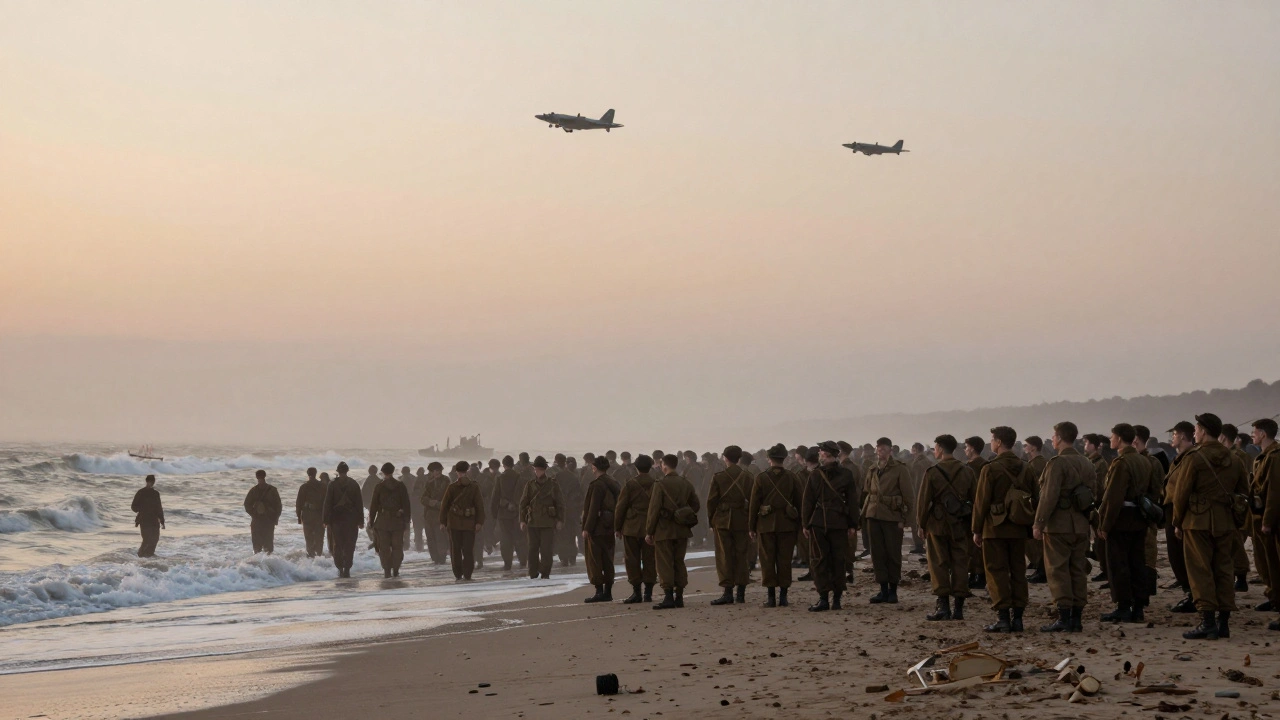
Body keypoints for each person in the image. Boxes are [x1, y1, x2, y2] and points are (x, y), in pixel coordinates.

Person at [1171, 413, 1250, 640]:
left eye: (1196, 429)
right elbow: (1244, 492)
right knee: (1224, 568)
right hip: (1225, 521)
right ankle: (1223, 622)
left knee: (1199, 570)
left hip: (1197, 521)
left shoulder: (1194, 458)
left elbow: (1181, 493)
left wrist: (1177, 521)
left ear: (1203, 431)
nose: (1194, 433)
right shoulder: (1234, 458)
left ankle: (1207, 622)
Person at [1034, 422, 1096, 632]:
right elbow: (1093, 494)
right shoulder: (1087, 463)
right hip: (1080, 525)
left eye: (1053, 436)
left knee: (1057, 570)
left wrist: (1039, 523)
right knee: (1078, 569)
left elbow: (1048, 497)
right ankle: (1076, 618)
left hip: (1058, 526)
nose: (1052, 439)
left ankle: (1064, 617)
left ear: (1059, 438)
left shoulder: (1057, 463)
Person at [972, 426, 1034, 633]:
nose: (991, 442)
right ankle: (1018, 619)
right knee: (1018, 571)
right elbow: (1036, 497)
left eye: (992, 439)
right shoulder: (1026, 467)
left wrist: (976, 530)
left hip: (994, 528)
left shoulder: (990, 468)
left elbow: (981, 503)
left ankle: (1003, 618)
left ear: (998, 442)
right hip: (1019, 527)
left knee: (996, 572)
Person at [1098, 423, 1154, 623]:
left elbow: (1113, 498)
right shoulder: (1144, 461)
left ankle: (1123, 606)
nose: (1110, 439)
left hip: (1121, 519)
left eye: (1112, 436)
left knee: (1118, 564)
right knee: (1137, 563)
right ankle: (1138, 607)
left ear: (1120, 438)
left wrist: (1104, 525)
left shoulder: (1121, 462)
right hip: (1139, 518)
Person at [916, 435, 976, 622]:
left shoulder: (932, 472)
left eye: (935, 447)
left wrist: (921, 524)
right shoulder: (967, 471)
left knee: (938, 564)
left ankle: (943, 607)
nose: (934, 451)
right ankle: (958, 609)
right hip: (961, 524)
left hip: (937, 524)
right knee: (960, 564)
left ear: (941, 449)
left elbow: (923, 501)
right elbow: (975, 501)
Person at [802, 442, 859, 612]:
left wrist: (806, 523)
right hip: (839, 522)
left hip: (820, 523)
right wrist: (852, 524)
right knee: (838, 561)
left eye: (821, 453)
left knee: (820, 561)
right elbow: (852, 502)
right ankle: (836, 600)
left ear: (825, 455)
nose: (819, 455)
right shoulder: (846, 474)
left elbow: (808, 502)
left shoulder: (815, 475)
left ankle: (824, 598)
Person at [749, 444, 802, 608]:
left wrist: (751, 527)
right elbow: (800, 503)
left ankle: (771, 598)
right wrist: (800, 525)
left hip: (766, 526)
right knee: (785, 560)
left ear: (769, 459)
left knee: (767, 560)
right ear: (784, 459)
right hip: (788, 525)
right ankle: (784, 597)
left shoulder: (761, 478)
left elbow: (754, 504)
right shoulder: (793, 477)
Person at [863, 437, 913, 604]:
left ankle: (893, 591)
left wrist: (904, 520)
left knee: (893, 553)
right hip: (873, 515)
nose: (881, 451)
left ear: (891, 450)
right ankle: (882, 589)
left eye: (884, 449)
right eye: (879, 448)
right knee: (877, 554)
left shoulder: (900, 469)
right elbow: (867, 492)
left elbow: (908, 496)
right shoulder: (872, 469)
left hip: (892, 517)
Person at [647, 453, 700, 609]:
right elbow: (695, 505)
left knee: (664, 564)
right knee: (679, 562)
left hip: (664, 530)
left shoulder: (660, 484)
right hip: (682, 530)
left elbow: (654, 510)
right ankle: (680, 597)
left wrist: (649, 531)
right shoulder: (685, 483)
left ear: (664, 465)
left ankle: (668, 596)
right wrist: (683, 513)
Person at [707, 445, 754, 605]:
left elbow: (711, 501)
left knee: (724, 556)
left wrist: (710, 521)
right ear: (739, 458)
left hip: (722, 520)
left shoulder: (719, 477)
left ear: (725, 458)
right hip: (743, 519)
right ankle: (741, 593)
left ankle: (728, 592)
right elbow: (753, 500)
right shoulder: (747, 476)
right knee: (742, 555)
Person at [615, 454, 658, 603]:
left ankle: (636, 592)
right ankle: (648, 593)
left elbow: (621, 507)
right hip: (650, 526)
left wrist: (617, 527)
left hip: (631, 527)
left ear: (636, 467)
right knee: (650, 559)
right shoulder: (656, 483)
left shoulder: (630, 484)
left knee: (631, 560)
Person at [1249, 418, 1279, 630]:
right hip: (1258, 517)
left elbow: (1275, 493)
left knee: (1276, 563)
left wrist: (1268, 521)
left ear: (1262, 434)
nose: (1252, 435)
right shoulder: (1263, 456)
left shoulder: (1275, 457)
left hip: (1271, 521)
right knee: (1265, 562)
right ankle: (1274, 597)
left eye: (1254, 432)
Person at [1163, 423, 1197, 611]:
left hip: (1182, 512)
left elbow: (1184, 490)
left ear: (1183, 437)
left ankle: (1193, 595)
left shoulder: (1191, 458)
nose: (1172, 438)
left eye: (1175, 434)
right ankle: (1190, 592)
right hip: (1172, 510)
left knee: (1183, 557)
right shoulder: (1179, 458)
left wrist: (1178, 520)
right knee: (1176, 556)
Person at [1220, 423, 1254, 592]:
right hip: (1234, 504)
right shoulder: (1237, 455)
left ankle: (1240, 577)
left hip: (1236, 506)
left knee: (1236, 544)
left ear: (1222, 437)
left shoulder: (1236, 456)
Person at [581, 456, 620, 602]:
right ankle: (608, 591)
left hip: (597, 528)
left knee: (595, 560)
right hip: (610, 525)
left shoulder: (596, 485)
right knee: (608, 560)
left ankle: (599, 591)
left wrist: (587, 528)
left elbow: (592, 509)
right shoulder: (614, 482)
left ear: (595, 467)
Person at [519, 456, 564, 580]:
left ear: (544, 470)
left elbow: (560, 504)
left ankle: (545, 573)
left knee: (546, 550)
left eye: (539, 469)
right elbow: (523, 503)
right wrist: (522, 520)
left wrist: (560, 520)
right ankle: (533, 572)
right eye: (535, 469)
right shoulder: (530, 485)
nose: (536, 472)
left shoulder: (552, 484)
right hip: (532, 521)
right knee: (532, 549)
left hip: (547, 522)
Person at [439, 460, 485, 581]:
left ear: (457, 472)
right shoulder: (474, 487)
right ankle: (468, 574)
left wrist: (442, 522)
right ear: (467, 471)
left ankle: (458, 574)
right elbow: (480, 506)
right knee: (468, 550)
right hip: (469, 524)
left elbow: (444, 506)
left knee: (456, 550)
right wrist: (479, 522)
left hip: (454, 524)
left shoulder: (452, 487)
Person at [368, 461, 411, 578]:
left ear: (383, 472)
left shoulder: (379, 486)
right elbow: (406, 504)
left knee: (384, 548)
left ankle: (387, 570)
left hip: (382, 522)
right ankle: (396, 569)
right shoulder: (400, 486)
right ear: (392, 471)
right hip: (398, 522)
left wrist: (371, 522)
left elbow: (373, 506)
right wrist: (407, 521)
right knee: (397, 547)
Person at [322, 461, 364, 577]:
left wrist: (325, 520)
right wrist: (361, 521)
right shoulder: (354, 484)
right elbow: (359, 504)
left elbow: (327, 503)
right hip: (351, 520)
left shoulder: (332, 484)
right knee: (350, 545)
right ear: (347, 471)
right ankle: (347, 569)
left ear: (338, 471)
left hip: (336, 520)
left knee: (338, 545)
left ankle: (340, 568)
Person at [491, 455, 527, 571]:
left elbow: (495, 497)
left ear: (504, 465)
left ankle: (507, 564)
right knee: (520, 538)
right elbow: (525, 496)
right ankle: (523, 561)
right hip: (518, 513)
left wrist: (493, 514)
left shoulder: (500, 478)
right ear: (513, 464)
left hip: (504, 514)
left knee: (506, 539)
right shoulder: (520, 478)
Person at [963, 436, 989, 589]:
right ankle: (976, 574)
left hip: (972, 509)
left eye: (966, 447)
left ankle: (977, 574)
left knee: (973, 544)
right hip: (984, 509)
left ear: (972, 448)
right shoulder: (988, 465)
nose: (965, 450)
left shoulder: (970, 467)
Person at [1023, 436, 1049, 584]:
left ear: (1033, 448)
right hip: (1042, 506)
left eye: (1026, 446)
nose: (1025, 448)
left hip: (1035, 506)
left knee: (1036, 542)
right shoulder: (1046, 463)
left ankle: (1041, 570)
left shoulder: (1032, 465)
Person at [418, 463, 450, 564]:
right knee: (430, 539)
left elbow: (449, 498)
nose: (437, 472)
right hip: (429, 515)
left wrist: (439, 504)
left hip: (441, 515)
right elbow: (422, 498)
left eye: (438, 470)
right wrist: (432, 502)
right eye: (434, 471)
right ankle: (435, 559)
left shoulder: (446, 482)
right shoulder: (429, 483)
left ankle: (441, 559)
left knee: (440, 538)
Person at [244, 469, 282, 554]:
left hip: (257, 521)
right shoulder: (273, 490)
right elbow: (278, 506)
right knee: (268, 547)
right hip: (269, 520)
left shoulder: (253, 490)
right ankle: (268, 565)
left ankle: (258, 566)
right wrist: (275, 519)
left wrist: (254, 514)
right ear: (265, 476)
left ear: (256, 477)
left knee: (257, 547)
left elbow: (247, 505)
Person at [555, 454, 583, 566]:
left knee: (562, 535)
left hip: (561, 510)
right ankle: (572, 557)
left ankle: (564, 558)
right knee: (571, 536)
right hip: (572, 510)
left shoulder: (557, 476)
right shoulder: (574, 478)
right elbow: (579, 495)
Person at [296, 467, 327, 558]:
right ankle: (319, 558)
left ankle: (311, 558)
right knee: (319, 538)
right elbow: (327, 503)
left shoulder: (304, 487)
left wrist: (299, 517)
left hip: (307, 516)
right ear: (316, 473)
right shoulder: (323, 486)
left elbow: (299, 504)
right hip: (319, 516)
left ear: (307, 474)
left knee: (309, 538)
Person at [132, 474, 165, 558]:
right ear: (147, 481)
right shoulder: (141, 492)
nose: (150, 483)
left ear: (153, 482)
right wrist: (143, 509)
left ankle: (149, 555)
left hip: (154, 520)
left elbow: (159, 508)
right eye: (150, 482)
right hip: (144, 519)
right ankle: (140, 556)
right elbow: (133, 507)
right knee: (146, 539)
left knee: (155, 539)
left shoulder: (155, 494)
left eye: (152, 482)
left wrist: (162, 521)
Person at [408, 467, 427, 552]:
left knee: (418, 530)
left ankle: (419, 548)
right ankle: (425, 548)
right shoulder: (428, 481)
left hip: (417, 510)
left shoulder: (414, 482)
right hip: (424, 510)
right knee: (427, 530)